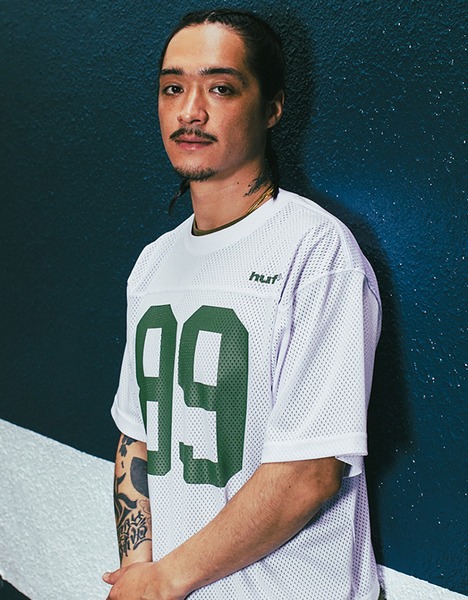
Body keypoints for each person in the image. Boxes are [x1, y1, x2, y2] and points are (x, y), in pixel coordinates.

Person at [104, 8, 383, 600]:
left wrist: (162, 581)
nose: (190, 111)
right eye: (173, 88)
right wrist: (138, 569)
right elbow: (135, 436)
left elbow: (310, 472)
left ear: (272, 107)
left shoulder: (317, 250)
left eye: (221, 88)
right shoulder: (152, 263)